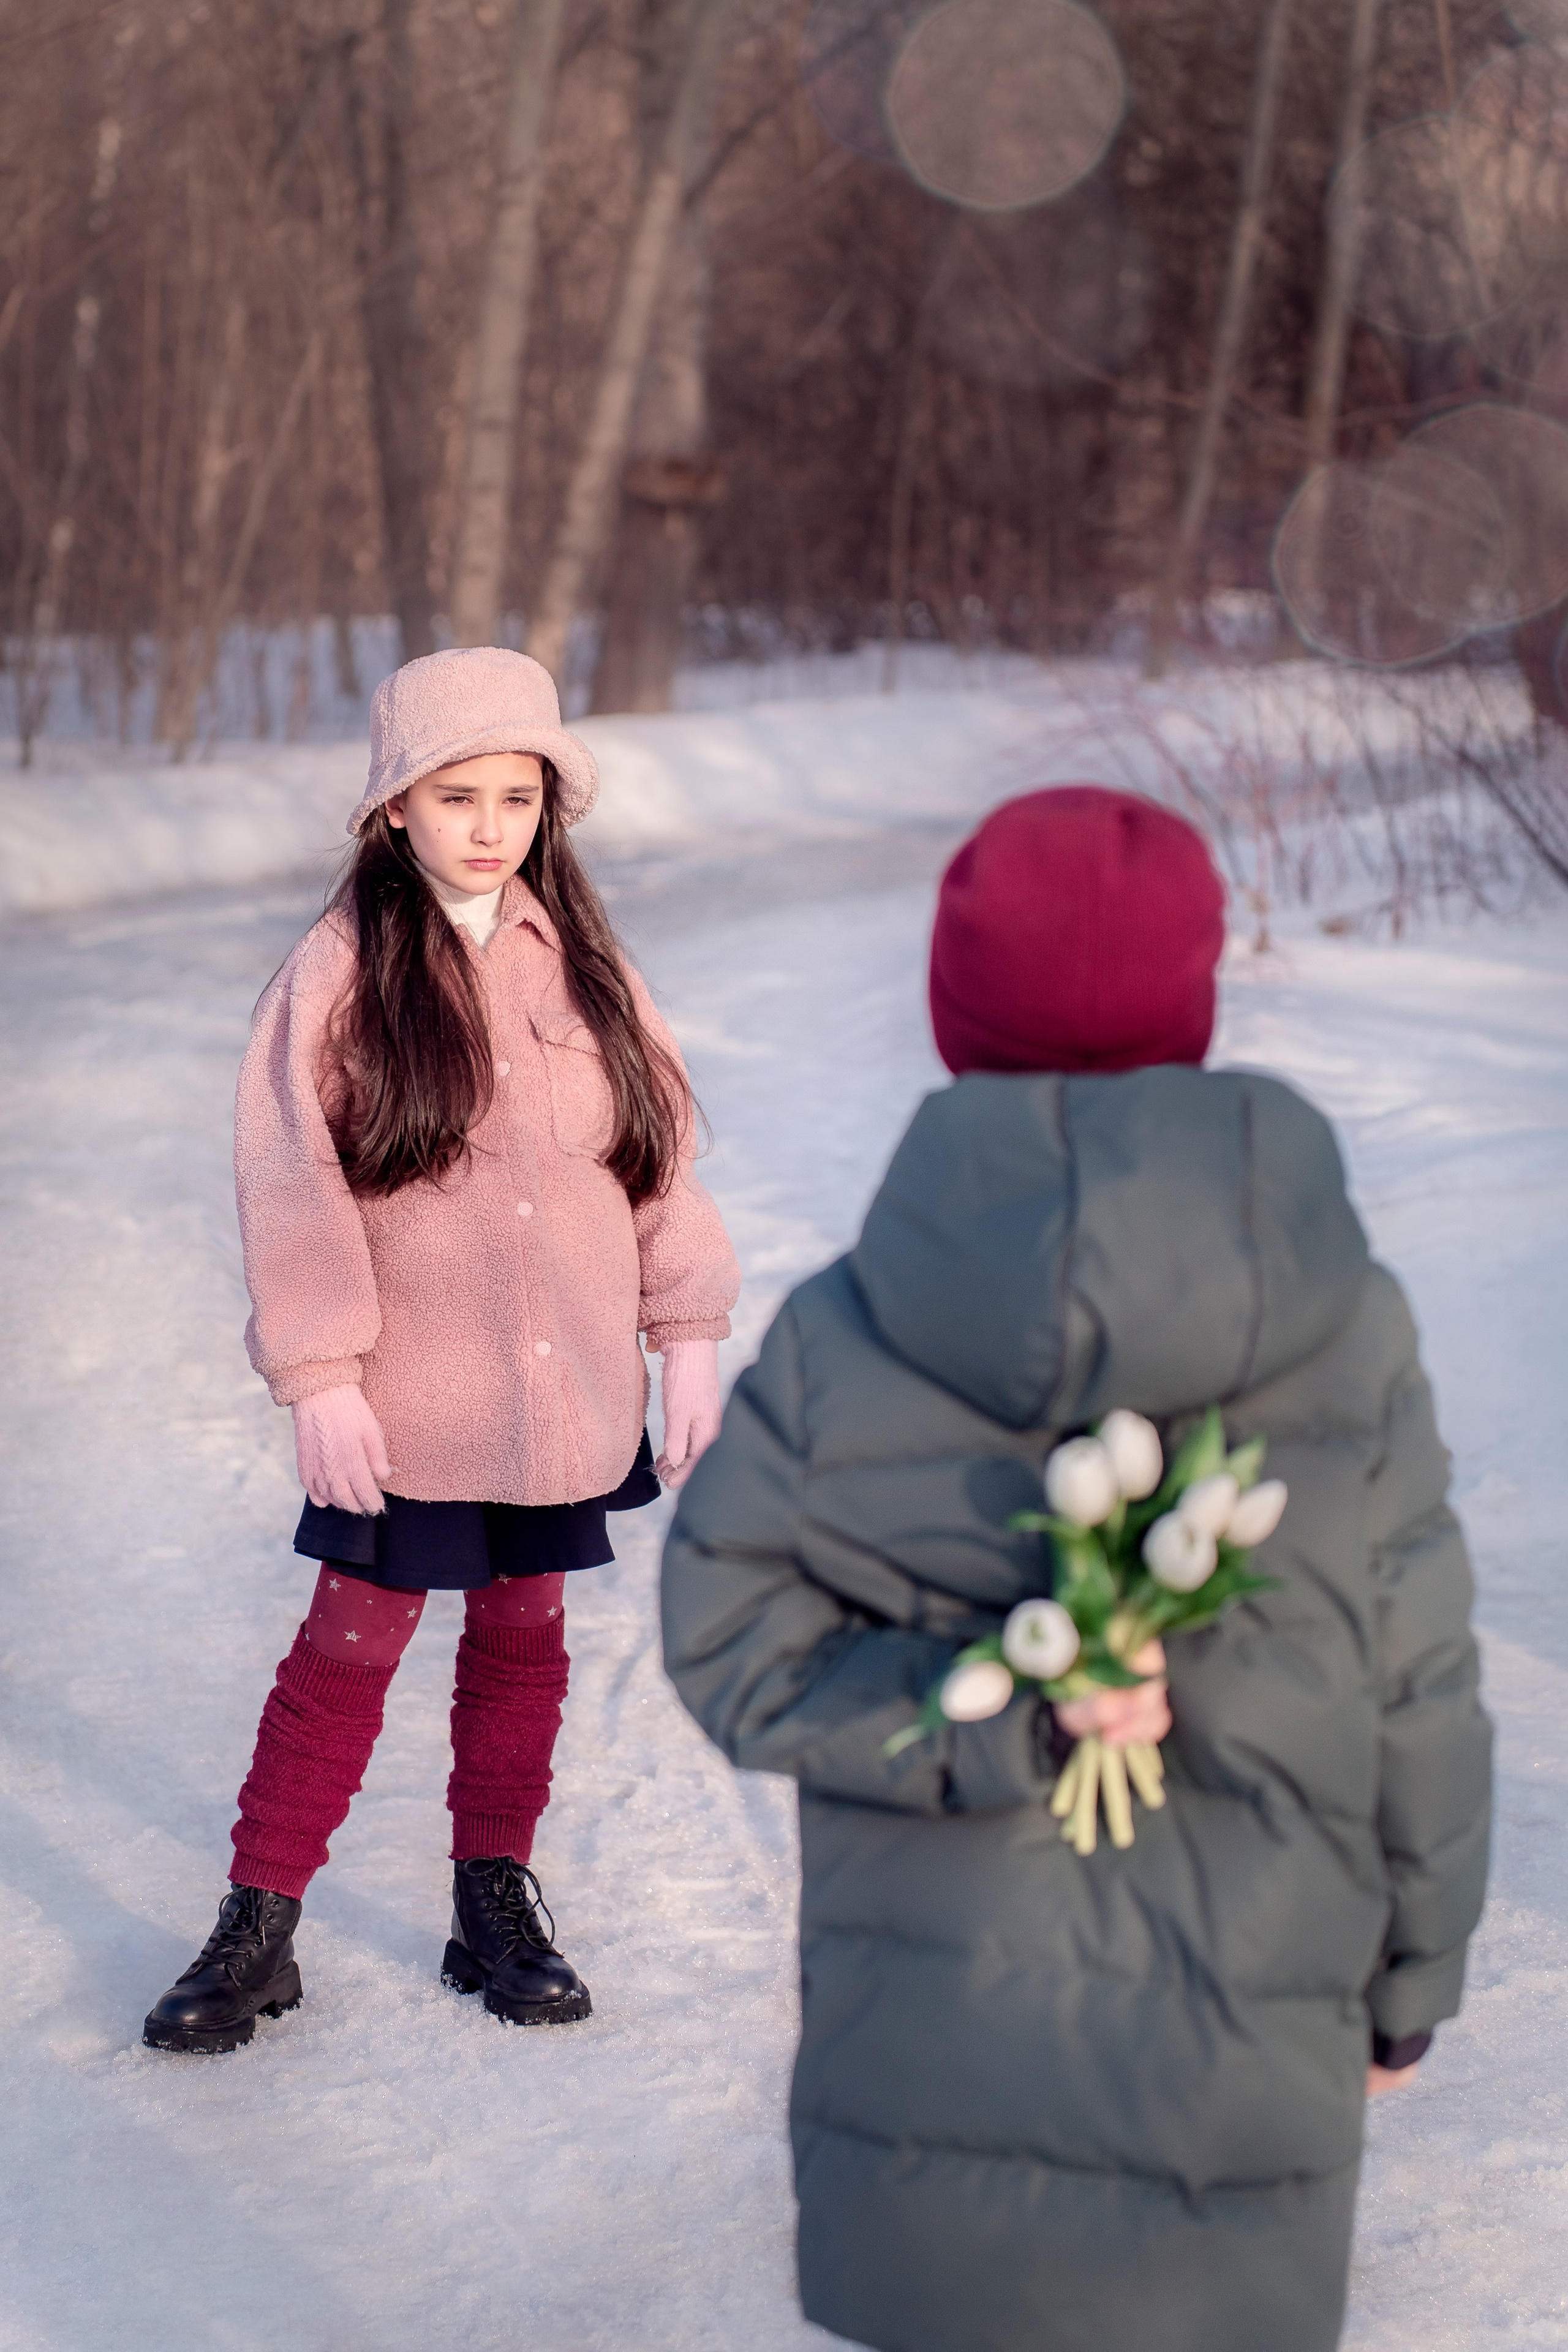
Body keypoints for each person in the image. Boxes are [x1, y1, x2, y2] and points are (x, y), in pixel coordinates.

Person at [660, 786, 1491, 2352]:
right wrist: (1409, 1977)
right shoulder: (1347, 1326)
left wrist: (988, 1715)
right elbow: (1421, 1684)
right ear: (1195, 1002)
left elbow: (730, 1635)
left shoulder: (849, 1332)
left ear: (952, 1014)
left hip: (937, 2044)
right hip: (1241, 2041)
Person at [145, 647, 739, 2056]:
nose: (488, 823)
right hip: (414, 1403)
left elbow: (658, 1161)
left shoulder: (584, 966)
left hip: (568, 1397)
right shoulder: (337, 977)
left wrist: (691, 1335)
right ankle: (258, 1923)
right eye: (455, 792)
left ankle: (493, 1900)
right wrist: (322, 1375)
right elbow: (290, 1185)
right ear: (393, 808)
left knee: (523, 1636)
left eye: (517, 795)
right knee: (348, 1647)